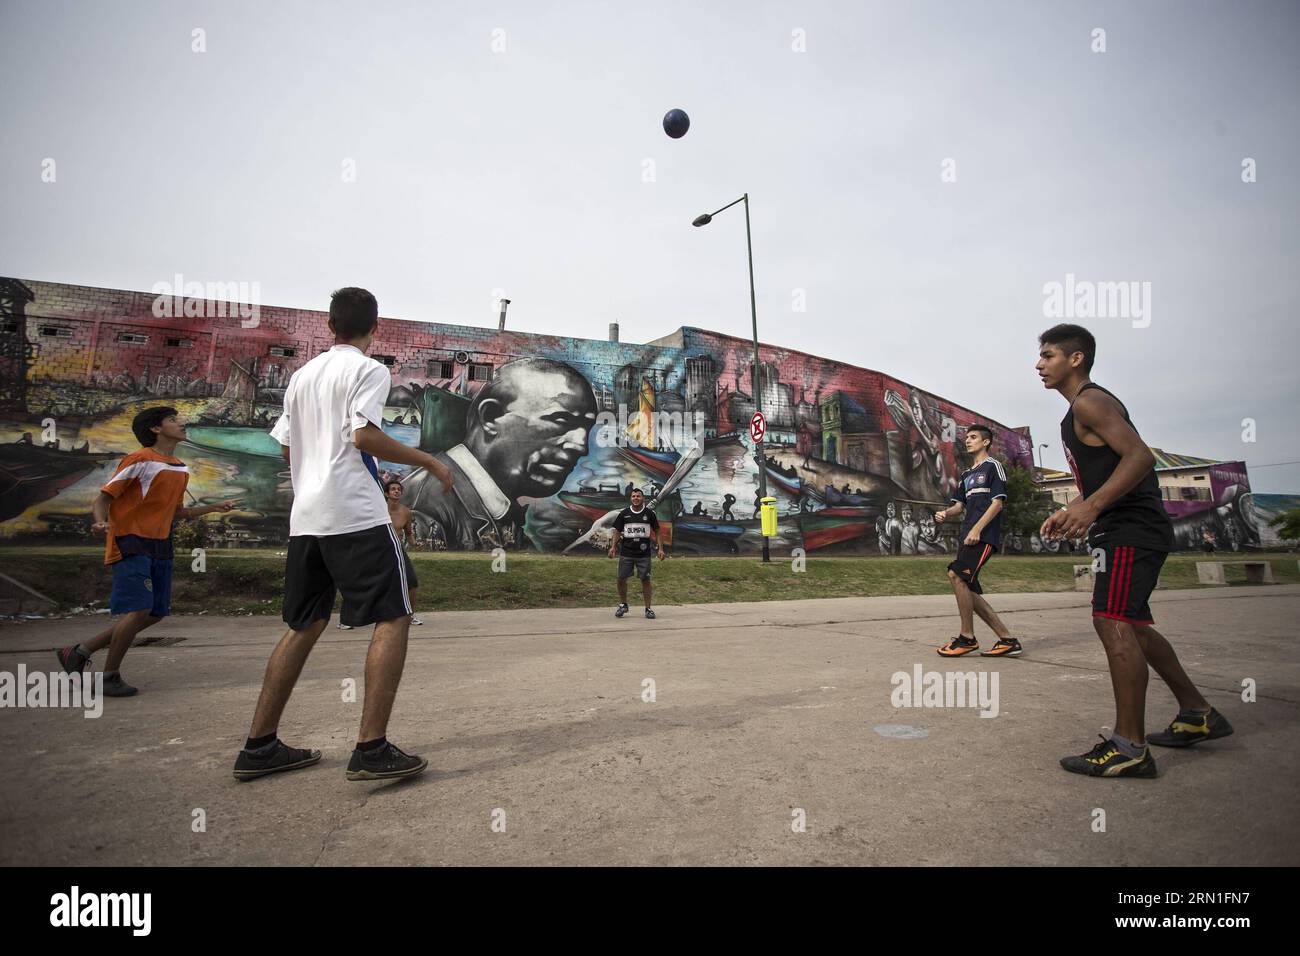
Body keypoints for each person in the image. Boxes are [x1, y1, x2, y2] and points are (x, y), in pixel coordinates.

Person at [232, 287, 454, 783]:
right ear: (375, 327)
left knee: (303, 624)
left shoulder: (301, 376)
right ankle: (371, 748)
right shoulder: (369, 370)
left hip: (306, 518)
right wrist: (429, 460)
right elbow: (364, 436)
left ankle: (259, 745)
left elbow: (287, 451)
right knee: (394, 616)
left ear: (330, 325)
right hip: (353, 514)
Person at [1037, 324, 1232, 779]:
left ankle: (1129, 747)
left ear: (1076, 358)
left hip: (1131, 529)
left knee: (1113, 619)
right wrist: (1078, 512)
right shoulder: (1081, 409)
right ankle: (1197, 713)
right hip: (1123, 526)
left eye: (1048, 355)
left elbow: (1141, 457)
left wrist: (1092, 506)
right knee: (1136, 625)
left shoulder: (1090, 400)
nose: (1039, 364)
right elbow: (1113, 468)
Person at [56, 407, 239, 695]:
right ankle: (109, 676)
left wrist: (215, 507)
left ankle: (80, 651)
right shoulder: (140, 460)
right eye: (173, 420)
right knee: (139, 608)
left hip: (161, 543)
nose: (181, 424)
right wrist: (100, 522)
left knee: (154, 613)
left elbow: (178, 513)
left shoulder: (179, 468)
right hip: (131, 539)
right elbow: (103, 498)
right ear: (156, 428)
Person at [401, 358, 597, 551]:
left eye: (586, 427)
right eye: (561, 420)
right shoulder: (424, 510)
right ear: (491, 416)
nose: (581, 446)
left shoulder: (495, 505)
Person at [934, 426, 1020, 657]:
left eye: (973, 437)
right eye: (967, 437)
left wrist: (978, 529)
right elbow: (959, 506)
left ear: (986, 442)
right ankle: (1008, 640)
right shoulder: (965, 475)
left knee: (956, 575)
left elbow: (998, 503)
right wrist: (946, 513)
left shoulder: (994, 467)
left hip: (982, 536)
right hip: (967, 536)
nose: (968, 441)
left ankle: (967, 638)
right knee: (968, 589)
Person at [609, 487, 665, 619]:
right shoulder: (624, 513)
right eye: (633, 496)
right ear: (631, 498)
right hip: (626, 553)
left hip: (644, 554)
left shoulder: (649, 513)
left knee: (646, 580)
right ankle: (623, 605)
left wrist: (661, 549)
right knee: (621, 579)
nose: (635, 498)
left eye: (638, 496)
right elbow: (617, 531)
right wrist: (613, 547)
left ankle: (648, 609)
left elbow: (657, 531)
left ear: (643, 498)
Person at [385, 479, 423, 626]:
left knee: (412, 582)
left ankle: (410, 615)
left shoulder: (406, 512)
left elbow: (408, 534)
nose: (396, 491)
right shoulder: (378, 510)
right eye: (393, 489)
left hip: (398, 549)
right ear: (386, 493)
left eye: (398, 489)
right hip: (380, 550)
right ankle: (349, 619)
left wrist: (415, 543)